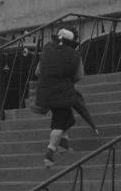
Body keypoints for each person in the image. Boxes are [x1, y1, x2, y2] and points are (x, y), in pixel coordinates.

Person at [33, 25, 98, 167]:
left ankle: (63, 145)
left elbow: (38, 72)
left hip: (45, 91)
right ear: (73, 40)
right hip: (62, 93)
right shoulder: (74, 55)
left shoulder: (47, 49)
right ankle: (49, 153)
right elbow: (79, 76)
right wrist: (65, 80)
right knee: (59, 123)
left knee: (68, 119)